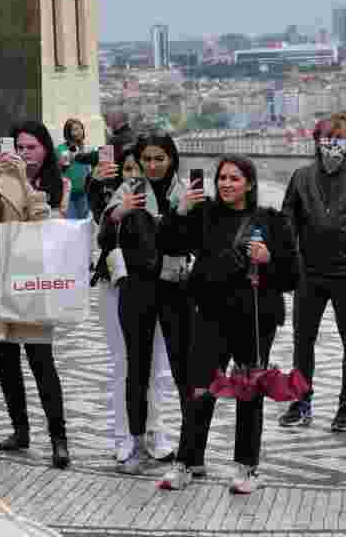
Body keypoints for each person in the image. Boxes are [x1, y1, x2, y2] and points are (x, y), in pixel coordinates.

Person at [157, 156, 299, 494]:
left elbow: (291, 276)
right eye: (221, 177)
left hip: (254, 318)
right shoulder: (204, 215)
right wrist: (179, 211)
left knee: (249, 392)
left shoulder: (271, 221)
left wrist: (269, 260)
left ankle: (247, 468)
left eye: (235, 178)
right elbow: (170, 245)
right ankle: (187, 462)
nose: (226, 184)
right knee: (200, 390)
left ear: (249, 183)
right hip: (210, 315)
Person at [0, 121, 70, 468]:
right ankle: (19, 430)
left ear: (45, 150)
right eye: (19, 147)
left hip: (34, 282)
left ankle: (59, 439)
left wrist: (23, 181)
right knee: (6, 362)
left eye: (31, 147)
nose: (24, 154)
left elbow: (44, 221)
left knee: (42, 363)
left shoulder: (57, 183)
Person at [278, 113, 346, 433]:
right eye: (326, 140)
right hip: (309, 271)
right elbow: (287, 220)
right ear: (317, 142)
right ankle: (301, 400)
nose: (332, 148)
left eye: (339, 141)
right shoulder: (301, 176)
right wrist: (287, 258)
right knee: (302, 341)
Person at [101, 132, 194, 472]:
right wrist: (117, 214)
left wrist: (182, 213)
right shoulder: (129, 191)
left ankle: (190, 449)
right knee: (136, 366)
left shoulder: (184, 191)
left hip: (175, 286)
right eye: (147, 159)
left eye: (160, 158)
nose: (153, 166)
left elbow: (195, 240)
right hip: (137, 287)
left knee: (184, 367)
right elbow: (105, 239)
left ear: (171, 159)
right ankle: (135, 443)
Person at [90, 149, 176, 463]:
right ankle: (123, 434)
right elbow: (101, 232)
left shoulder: (163, 197)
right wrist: (113, 207)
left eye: (138, 169)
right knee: (124, 363)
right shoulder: (112, 199)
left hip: (157, 286)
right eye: (127, 169)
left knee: (157, 366)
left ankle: (155, 431)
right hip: (116, 286)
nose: (134, 176)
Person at [56, 118, 95, 220]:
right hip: (68, 195)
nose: (79, 132)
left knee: (85, 223)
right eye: (75, 129)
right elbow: (59, 169)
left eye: (80, 128)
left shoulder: (88, 148)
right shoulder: (61, 149)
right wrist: (68, 158)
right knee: (71, 223)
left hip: (84, 193)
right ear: (68, 132)